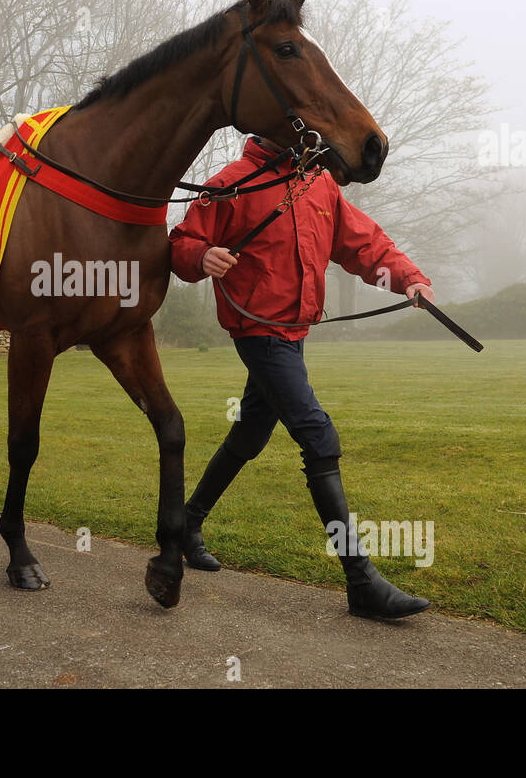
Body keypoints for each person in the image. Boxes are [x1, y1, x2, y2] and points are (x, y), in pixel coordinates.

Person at [168, 136, 434, 619]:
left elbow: (362, 242)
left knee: (250, 434)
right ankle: (361, 581)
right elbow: (183, 241)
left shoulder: (317, 182)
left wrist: (407, 276)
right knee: (317, 435)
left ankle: (185, 523)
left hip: (293, 332)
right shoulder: (231, 183)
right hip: (258, 330)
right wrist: (201, 256)